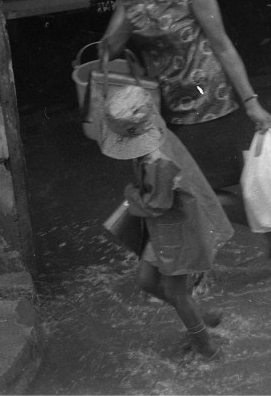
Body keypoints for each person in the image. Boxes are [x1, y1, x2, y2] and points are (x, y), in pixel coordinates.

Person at [99, 0, 271, 271]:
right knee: (199, 191)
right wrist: (126, 17)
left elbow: (223, 46)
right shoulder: (129, 3)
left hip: (212, 99)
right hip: (172, 110)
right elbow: (107, 52)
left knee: (203, 189)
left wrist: (251, 102)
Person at [98, 84, 233, 361]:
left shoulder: (157, 163)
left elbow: (156, 205)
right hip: (164, 227)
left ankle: (207, 347)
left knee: (175, 290)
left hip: (176, 229)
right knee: (147, 281)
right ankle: (200, 317)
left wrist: (131, 195)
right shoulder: (152, 128)